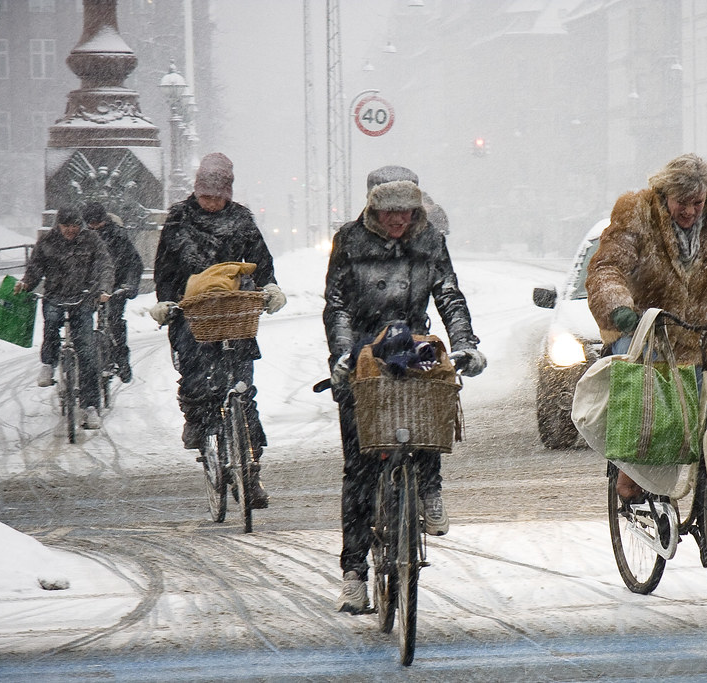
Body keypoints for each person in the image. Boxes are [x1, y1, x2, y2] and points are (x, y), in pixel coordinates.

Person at [585, 153, 707, 567]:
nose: (688, 211)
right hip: (643, 327)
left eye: (697, 203)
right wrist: (620, 309)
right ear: (664, 195)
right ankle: (631, 478)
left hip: (693, 335)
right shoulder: (636, 214)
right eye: (680, 202)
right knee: (645, 409)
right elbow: (608, 268)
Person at [323, 173, 486, 613]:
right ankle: (354, 573)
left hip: (412, 344)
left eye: (405, 211)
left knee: (431, 401)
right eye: (389, 211)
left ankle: (428, 485)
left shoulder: (429, 240)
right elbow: (336, 305)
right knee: (358, 471)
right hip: (362, 352)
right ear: (374, 209)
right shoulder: (349, 241)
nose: (397, 220)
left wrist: (465, 342)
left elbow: (448, 294)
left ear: (416, 210)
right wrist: (341, 356)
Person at [150, 152, 286, 508]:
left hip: (232, 312)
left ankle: (250, 472)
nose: (210, 202)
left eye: (216, 196)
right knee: (195, 376)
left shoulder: (241, 221)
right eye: (204, 195)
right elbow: (165, 266)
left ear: (228, 193)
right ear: (195, 191)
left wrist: (269, 287)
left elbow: (262, 261)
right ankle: (196, 420)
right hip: (190, 312)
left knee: (244, 392)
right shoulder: (178, 219)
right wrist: (166, 301)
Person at [14, 205, 114, 429]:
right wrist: (27, 283)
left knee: (87, 351)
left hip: (83, 298)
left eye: (75, 225)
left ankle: (90, 407)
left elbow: (105, 265)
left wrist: (104, 288)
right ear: (58, 225)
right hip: (55, 295)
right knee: (50, 322)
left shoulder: (92, 240)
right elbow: (35, 267)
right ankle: (48, 363)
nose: (71, 230)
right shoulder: (47, 242)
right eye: (66, 226)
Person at [82, 202, 144, 383]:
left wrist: (129, 285)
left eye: (97, 223)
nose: (94, 227)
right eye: (90, 223)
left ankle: (121, 358)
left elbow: (134, 263)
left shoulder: (119, 236)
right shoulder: (81, 237)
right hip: (88, 288)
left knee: (114, 321)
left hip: (115, 288)